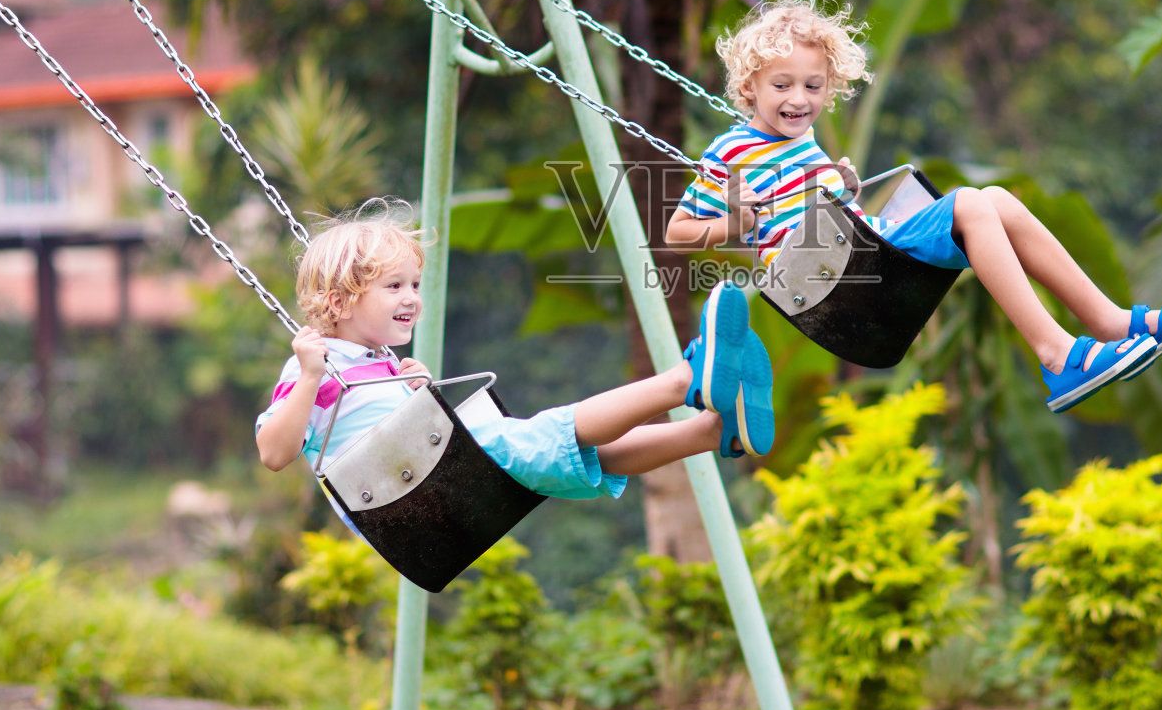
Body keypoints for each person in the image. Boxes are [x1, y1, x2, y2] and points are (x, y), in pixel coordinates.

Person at [665, 0, 1162, 414]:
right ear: (750, 85)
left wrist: (843, 192)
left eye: (813, 86)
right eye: (781, 85)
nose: (799, 99)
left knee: (996, 199)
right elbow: (678, 233)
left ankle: (1113, 323)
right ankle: (1058, 355)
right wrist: (739, 219)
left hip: (858, 255)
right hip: (816, 280)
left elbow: (812, 208)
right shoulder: (730, 150)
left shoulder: (804, 142)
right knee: (971, 204)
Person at [257, 201, 775, 514]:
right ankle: (688, 377)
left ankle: (711, 432)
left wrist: (417, 397)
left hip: (434, 478)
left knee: (588, 452)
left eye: (415, 284)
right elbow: (274, 452)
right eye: (393, 286)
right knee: (554, 431)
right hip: (405, 496)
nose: (412, 297)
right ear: (339, 301)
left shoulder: (381, 367)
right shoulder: (318, 367)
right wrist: (306, 378)